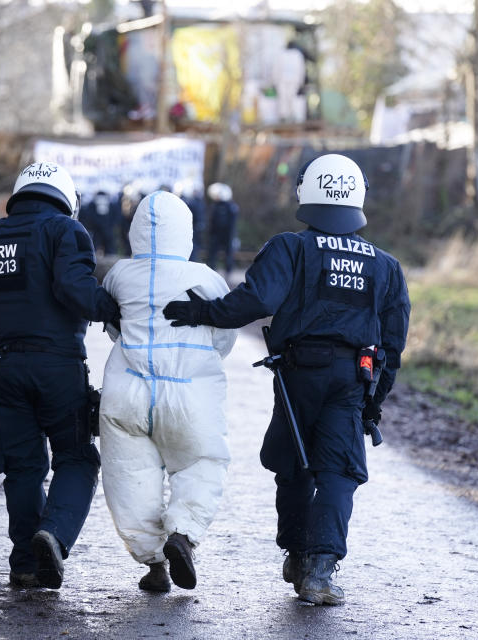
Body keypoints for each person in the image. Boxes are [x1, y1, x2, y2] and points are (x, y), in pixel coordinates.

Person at [163, 154, 410, 606]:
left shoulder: (290, 248)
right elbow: (393, 344)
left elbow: (253, 301)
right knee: (339, 471)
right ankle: (319, 569)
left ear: (306, 193)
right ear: (358, 197)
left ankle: (296, 555)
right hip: (352, 378)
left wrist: (201, 312)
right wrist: (374, 401)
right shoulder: (386, 266)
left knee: (293, 460)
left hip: (297, 374)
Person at [0, 162, 120, 591]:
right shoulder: (66, 231)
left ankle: (26, 561)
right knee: (77, 458)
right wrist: (119, 310)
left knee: (23, 468)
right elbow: (75, 290)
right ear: (65, 199)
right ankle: (55, 534)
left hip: (3, 370)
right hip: (57, 367)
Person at [98, 191, 237, 593]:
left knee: (129, 476)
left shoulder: (119, 275)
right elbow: (223, 335)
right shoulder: (207, 278)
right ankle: (184, 534)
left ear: (134, 231)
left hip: (128, 394)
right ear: (187, 232)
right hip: (189, 394)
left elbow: (113, 327)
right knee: (202, 463)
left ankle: (154, 563)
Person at [206, 183, 239, 276]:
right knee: (212, 254)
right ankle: (211, 271)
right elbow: (212, 222)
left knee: (228, 254)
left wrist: (232, 236)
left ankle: (228, 272)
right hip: (216, 235)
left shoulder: (231, 207)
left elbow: (232, 224)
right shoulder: (215, 206)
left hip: (227, 235)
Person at [79, 189, 121, 256]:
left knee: (110, 250)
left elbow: (116, 217)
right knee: (95, 247)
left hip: (108, 230)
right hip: (96, 231)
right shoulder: (91, 206)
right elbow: (89, 218)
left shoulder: (112, 206)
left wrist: (110, 226)